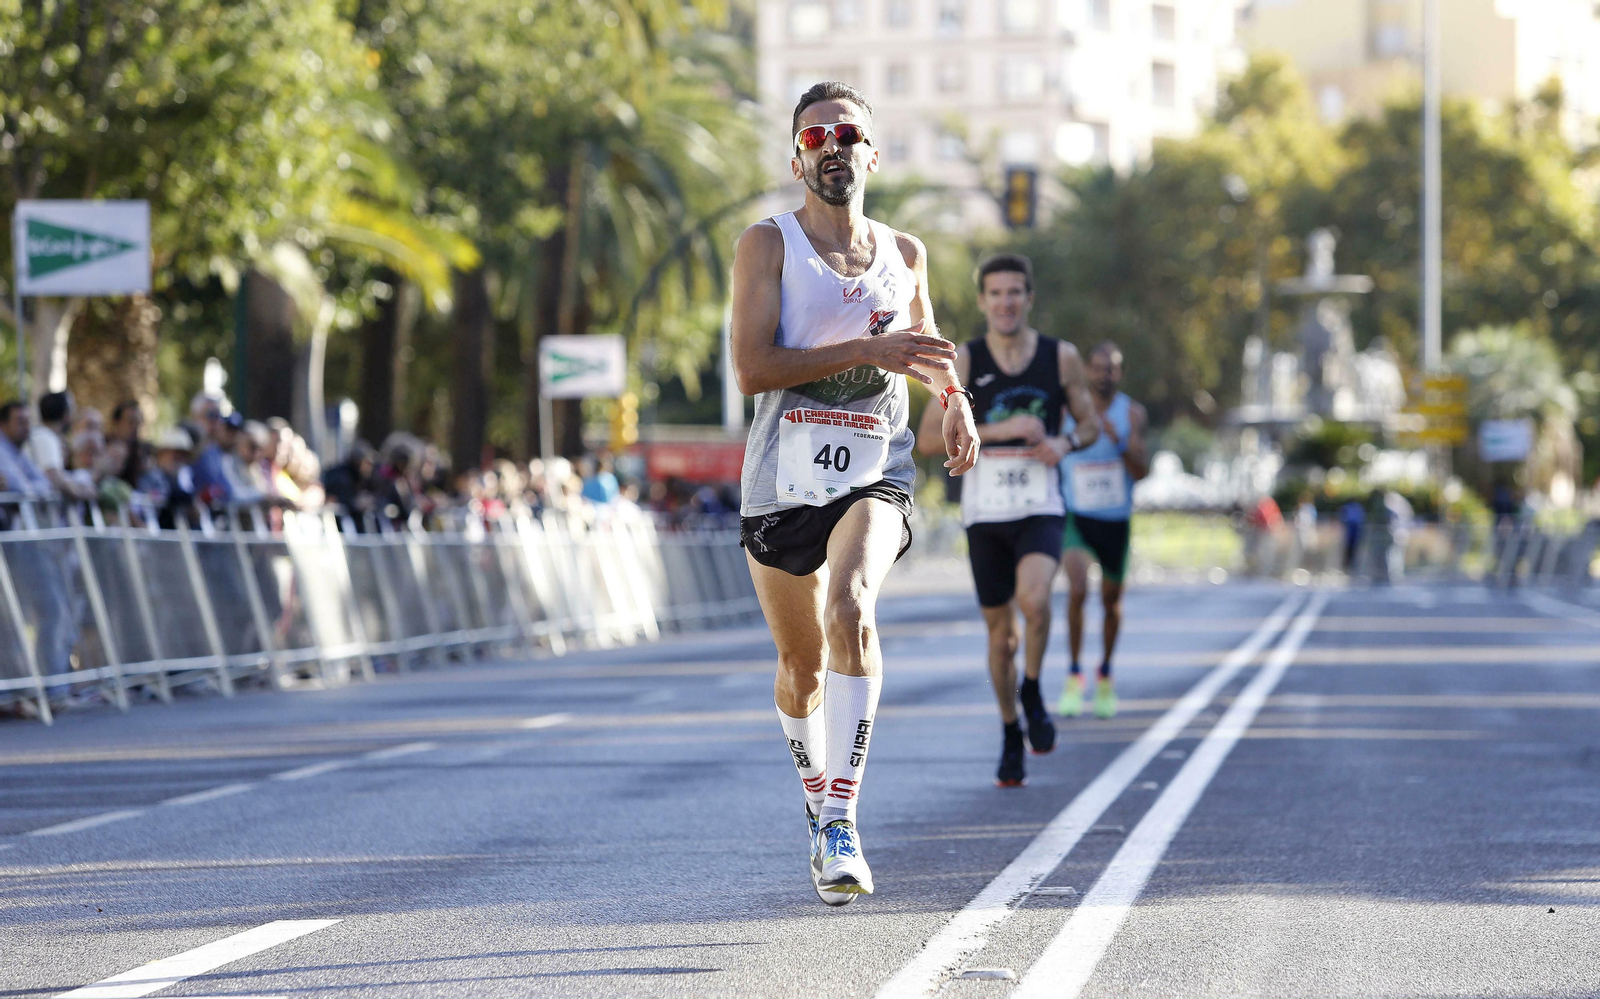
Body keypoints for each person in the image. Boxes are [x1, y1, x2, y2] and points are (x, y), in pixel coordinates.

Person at [730, 81, 977, 905]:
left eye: (848, 133)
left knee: (851, 606)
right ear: (797, 155)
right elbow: (753, 369)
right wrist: (872, 351)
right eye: (815, 136)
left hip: (875, 470)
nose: (831, 145)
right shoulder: (766, 246)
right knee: (800, 666)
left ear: (872, 152)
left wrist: (957, 402)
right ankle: (816, 800)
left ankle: (841, 819)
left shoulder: (904, 254)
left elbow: (929, 347)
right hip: (780, 480)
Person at [914, 253, 1100, 787]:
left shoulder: (1059, 357)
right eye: (995, 294)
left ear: (1029, 297)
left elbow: (1088, 425)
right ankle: (1010, 730)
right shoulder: (964, 362)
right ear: (982, 302)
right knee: (1000, 639)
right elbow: (928, 439)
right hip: (985, 513)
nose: (1005, 303)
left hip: (1040, 505)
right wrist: (995, 430)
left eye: (1014, 292)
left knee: (1035, 602)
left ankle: (1035, 687)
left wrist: (1062, 441)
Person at [1058, 342, 1148, 720]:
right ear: (1086, 371)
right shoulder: (1068, 409)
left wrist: (1120, 440)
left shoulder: (1132, 413)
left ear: (1120, 373)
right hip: (1076, 516)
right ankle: (1075, 675)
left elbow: (1141, 470)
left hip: (1115, 519)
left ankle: (1105, 673)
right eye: (1096, 367)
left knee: (1111, 602)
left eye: (1110, 368)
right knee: (1078, 589)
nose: (1102, 374)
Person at [26, 391, 95, 502]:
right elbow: (53, 476)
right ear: (66, 415)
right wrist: (81, 491)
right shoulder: (45, 438)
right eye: (72, 410)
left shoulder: (43, 436)